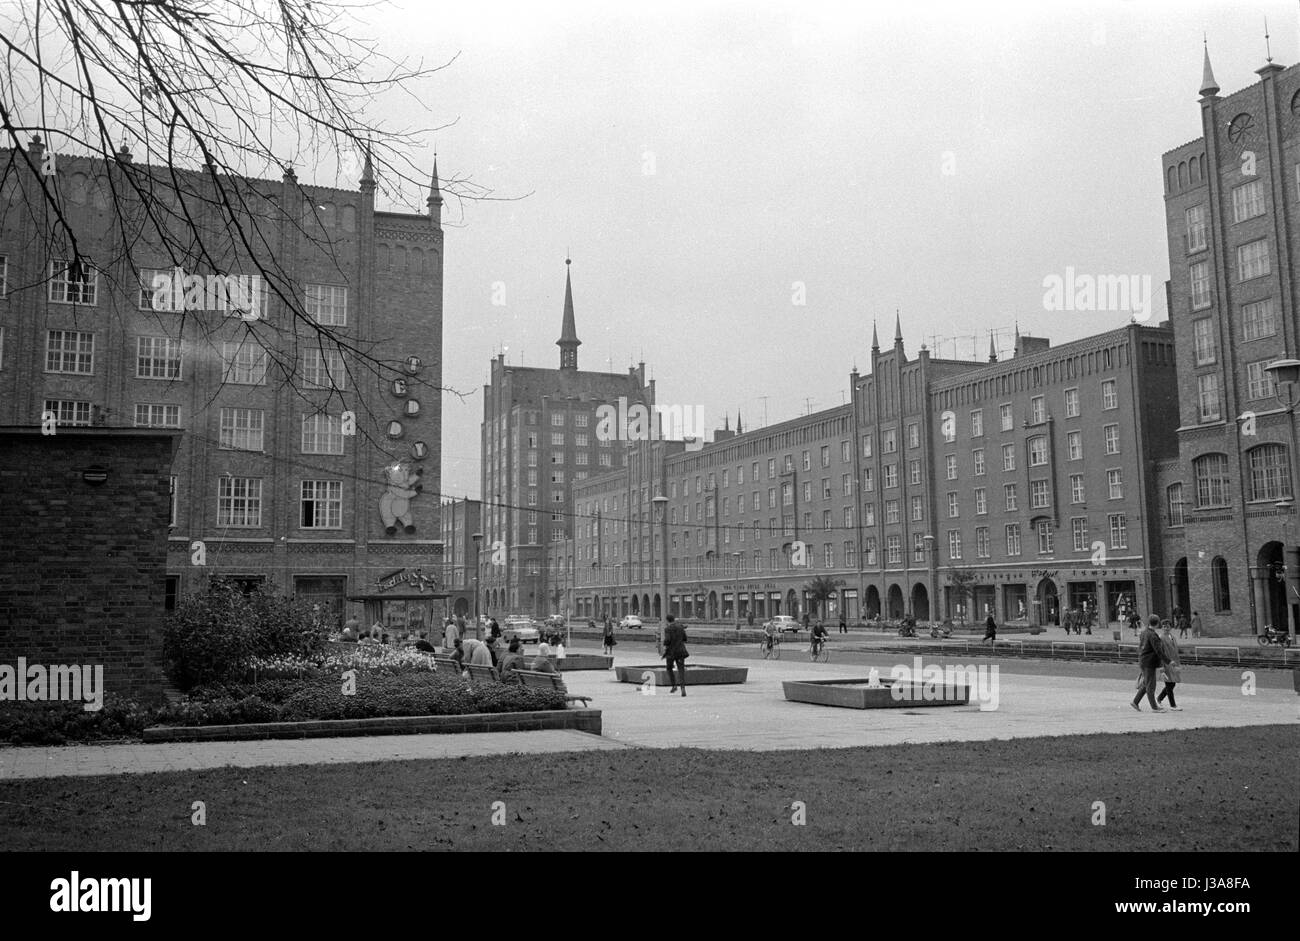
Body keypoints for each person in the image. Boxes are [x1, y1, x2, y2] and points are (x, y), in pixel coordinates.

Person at [1131, 615, 1169, 712]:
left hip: (1144, 661)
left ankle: (1135, 702)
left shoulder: (1144, 632)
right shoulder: (1152, 635)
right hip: (1149, 662)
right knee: (1151, 685)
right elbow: (1158, 651)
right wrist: (1168, 661)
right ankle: (1154, 707)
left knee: (1146, 683)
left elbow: (1141, 647)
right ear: (1157, 623)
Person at [1157, 621, 1182, 710]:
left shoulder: (1173, 637)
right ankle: (1173, 705)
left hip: (1174, 663)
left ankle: (1159, 698)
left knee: (1173, 683)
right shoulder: (1161, 638)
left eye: (1167, 626)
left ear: (1170, 627)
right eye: (1164, 626)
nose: (1166, 628)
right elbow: (1160, 652)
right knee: (1169, 684)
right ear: (1162, 628)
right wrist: (1162, 666)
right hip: (1166, 663)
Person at [662, 614, 689, 696]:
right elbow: (685, 638)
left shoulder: (667, 629)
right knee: (681, 670)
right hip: (680, 651)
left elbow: (667, 640)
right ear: (674, 619)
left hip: (671, 652)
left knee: (669, 668)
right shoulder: (680, 627)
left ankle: (674, 685)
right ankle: (683, 688)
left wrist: (664, 644)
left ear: (667, 620)